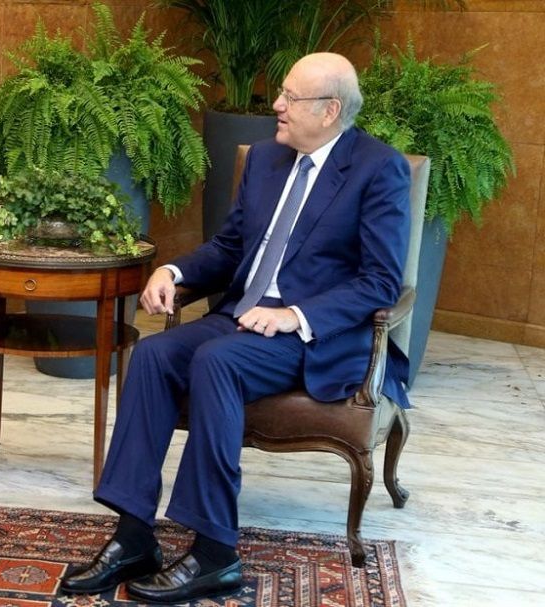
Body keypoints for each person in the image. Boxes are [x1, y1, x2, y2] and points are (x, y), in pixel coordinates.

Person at [59, 52, 411, 603]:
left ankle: (215, 553)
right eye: (282, 93)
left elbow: (381, 281)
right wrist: (173, 272)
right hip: (240, 317)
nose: (277, 105)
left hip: (312, 338)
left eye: (290, 97)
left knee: (216, 361)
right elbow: (229, 248)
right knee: (153, 354)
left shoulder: (377, 168)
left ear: (329, 110)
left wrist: (294, 315)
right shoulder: (268, 158)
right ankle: (133, 537)